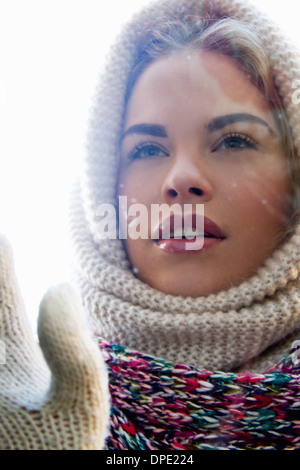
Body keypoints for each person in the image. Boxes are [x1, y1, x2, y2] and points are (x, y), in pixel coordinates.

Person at [1, 0, 300, 450]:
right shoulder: (23, 398)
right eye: (145, 150)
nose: (182, 180)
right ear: (104, 191)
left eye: (234, 140)